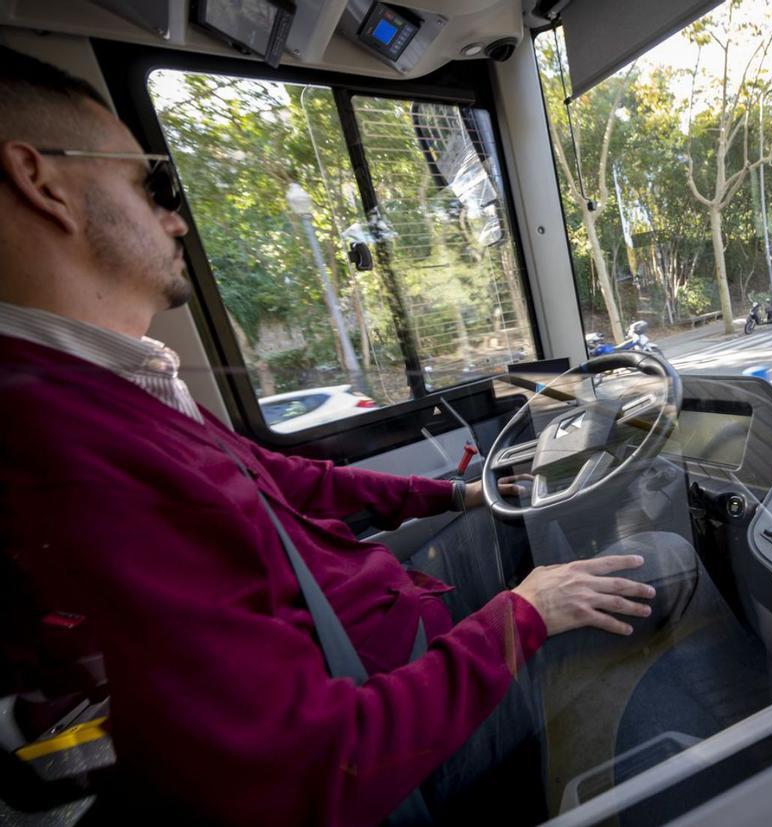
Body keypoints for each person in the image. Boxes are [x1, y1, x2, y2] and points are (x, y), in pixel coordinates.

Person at [0, 46, 671, 825]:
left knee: (514, 530)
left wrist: (456, 491)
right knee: (670, 565)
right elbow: (306, 769)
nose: (175, 215)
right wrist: (524, 616)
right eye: (150, 184)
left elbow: (292, 482)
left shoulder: (116, 388)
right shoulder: (59, 455)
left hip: (386, 635)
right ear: (41, 181)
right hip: (391, 732)